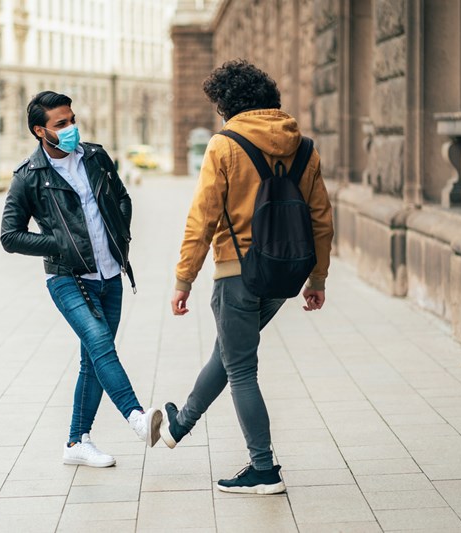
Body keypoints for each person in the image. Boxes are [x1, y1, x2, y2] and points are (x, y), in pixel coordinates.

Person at [161, 60, 334, 494]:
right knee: (229, 354)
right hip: (282, 279)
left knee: (240, 369)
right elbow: (321, 220)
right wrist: (318, 278)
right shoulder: (305, 147)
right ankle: (178, 426)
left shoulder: (224, 145)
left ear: (228, 105)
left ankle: (264, 468)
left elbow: (202, 218)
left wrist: (184, 279)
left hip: (237, 273)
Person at [1, 91, 161, 467]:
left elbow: (122, 198)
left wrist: (119, 233)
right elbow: (10, 235)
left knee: (93, 359)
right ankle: (137, 419)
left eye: (72, 119)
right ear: (41, 131)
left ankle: (76, 443)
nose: (71, 128)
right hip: (68, 277)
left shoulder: (95, 156)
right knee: (101, 344)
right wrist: (58, 243)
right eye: (61, 124)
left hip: (110, 273)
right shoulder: (29, 177)